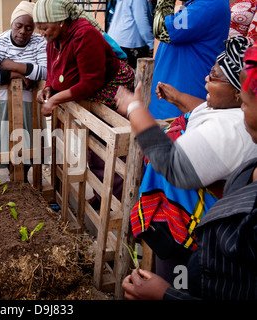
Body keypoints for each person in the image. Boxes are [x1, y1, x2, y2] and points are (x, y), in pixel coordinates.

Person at [115, 36, 257, 283]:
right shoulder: (230, 110)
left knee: (176, 282)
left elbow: (173, 164)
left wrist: (134, 109)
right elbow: (206, 109)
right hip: (186, 224)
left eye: (213, 77)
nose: (206, 79)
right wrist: (178, 98)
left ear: (238, 93)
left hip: (189, 228)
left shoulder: (234, 129)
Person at [33, 0, 135, 208]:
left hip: (111, 95)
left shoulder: (84, 34)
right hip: (92, 96)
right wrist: (49, 88)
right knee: (94, 151)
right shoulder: (54, 39)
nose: (41, 32)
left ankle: (116, 204)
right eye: (39, 28)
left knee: (110, 152)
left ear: (61, 21)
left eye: (44, 27)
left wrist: (54, 100)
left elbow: (91, 81)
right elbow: (53, 69)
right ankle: (101, 197)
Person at [0, 1, 47, 180]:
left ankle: (22, 179)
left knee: (28, 146)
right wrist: (18, 74)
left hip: (29, 105)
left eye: (29, 28)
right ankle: (15, 180)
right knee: (4, 145)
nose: (23, 32)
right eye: (19, 26)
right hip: (2, 102)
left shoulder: (40, 42)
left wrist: (11, 65)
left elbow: (46, 70)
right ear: (12, 24)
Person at [150, 0, 231, 120]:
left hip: (178, 105)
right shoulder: (195, 4)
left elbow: (161, 29)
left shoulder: (210, 3)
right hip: (167, 100)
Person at [107, 0, 154, 69]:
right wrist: (152, 43)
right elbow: (142, 21)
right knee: (135, 76)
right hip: (129, 42)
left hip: (115, 39)